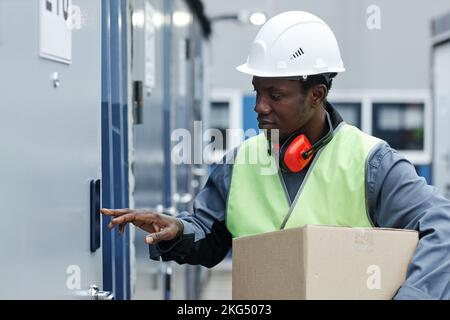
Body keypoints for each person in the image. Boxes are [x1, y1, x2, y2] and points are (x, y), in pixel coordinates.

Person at [101, 11, 450, 300]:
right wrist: (177, 229)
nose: (259, 107)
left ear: (317, 94)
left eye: (275, 95)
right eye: (256, 91)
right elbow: (208, 235)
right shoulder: (239, 164)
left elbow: (442, 227)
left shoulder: (371, 163)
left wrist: (414, 295)